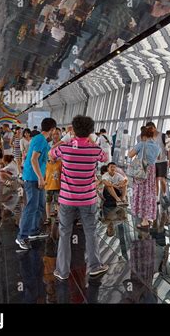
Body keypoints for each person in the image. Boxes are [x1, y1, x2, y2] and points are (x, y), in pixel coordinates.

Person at [49, 115, 109, 280]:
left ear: (73, 130)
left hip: (67, 200)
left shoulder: (65, 148)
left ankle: (62, 271)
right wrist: (89, 139)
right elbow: (105, 157)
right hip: (88, 199)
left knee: (65, 233)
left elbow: (51, 153)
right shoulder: (95, 149)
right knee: (91, 232)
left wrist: (66, 138)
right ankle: (95, 266)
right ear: (90, 131)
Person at [16, 118, 57, 250]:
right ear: (52, 129)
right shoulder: (40, 139)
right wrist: (40, 177)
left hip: (37, 178)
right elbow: (33, 159)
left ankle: (33, 231)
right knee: (31, 207)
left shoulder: (41, 140)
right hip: (33, 178)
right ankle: (21, 237)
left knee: (39, 205)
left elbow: (50, 151)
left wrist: (63, 142)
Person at [128, 126, 160, 229]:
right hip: (151, 171)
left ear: (144, 136)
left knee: (141, 193)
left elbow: (130, 154)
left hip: (141, 170)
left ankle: (145, 221)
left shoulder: (142, 144)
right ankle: (149, 216)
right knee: (149, 193)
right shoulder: (157, 146)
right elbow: (157, 158)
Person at [146, 122, 170, 204]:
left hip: (163, 161)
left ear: (154, 127)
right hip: (153, 162)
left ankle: (164, 194)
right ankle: (156, 198)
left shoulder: (164, 136)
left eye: (150, 129)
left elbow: (169, 149)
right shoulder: (149, 137)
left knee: (162, 180)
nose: (149, 131)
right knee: (155, 180)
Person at [45, 129, 62, 226]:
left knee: (57, 201)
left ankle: (57, 214)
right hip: (49, 181)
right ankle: (50, 215)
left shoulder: (63, 143)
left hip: (57, 175)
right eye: (54, 134)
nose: (55, 135)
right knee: (49, 201)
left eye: (57, 134)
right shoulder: (49, 144)